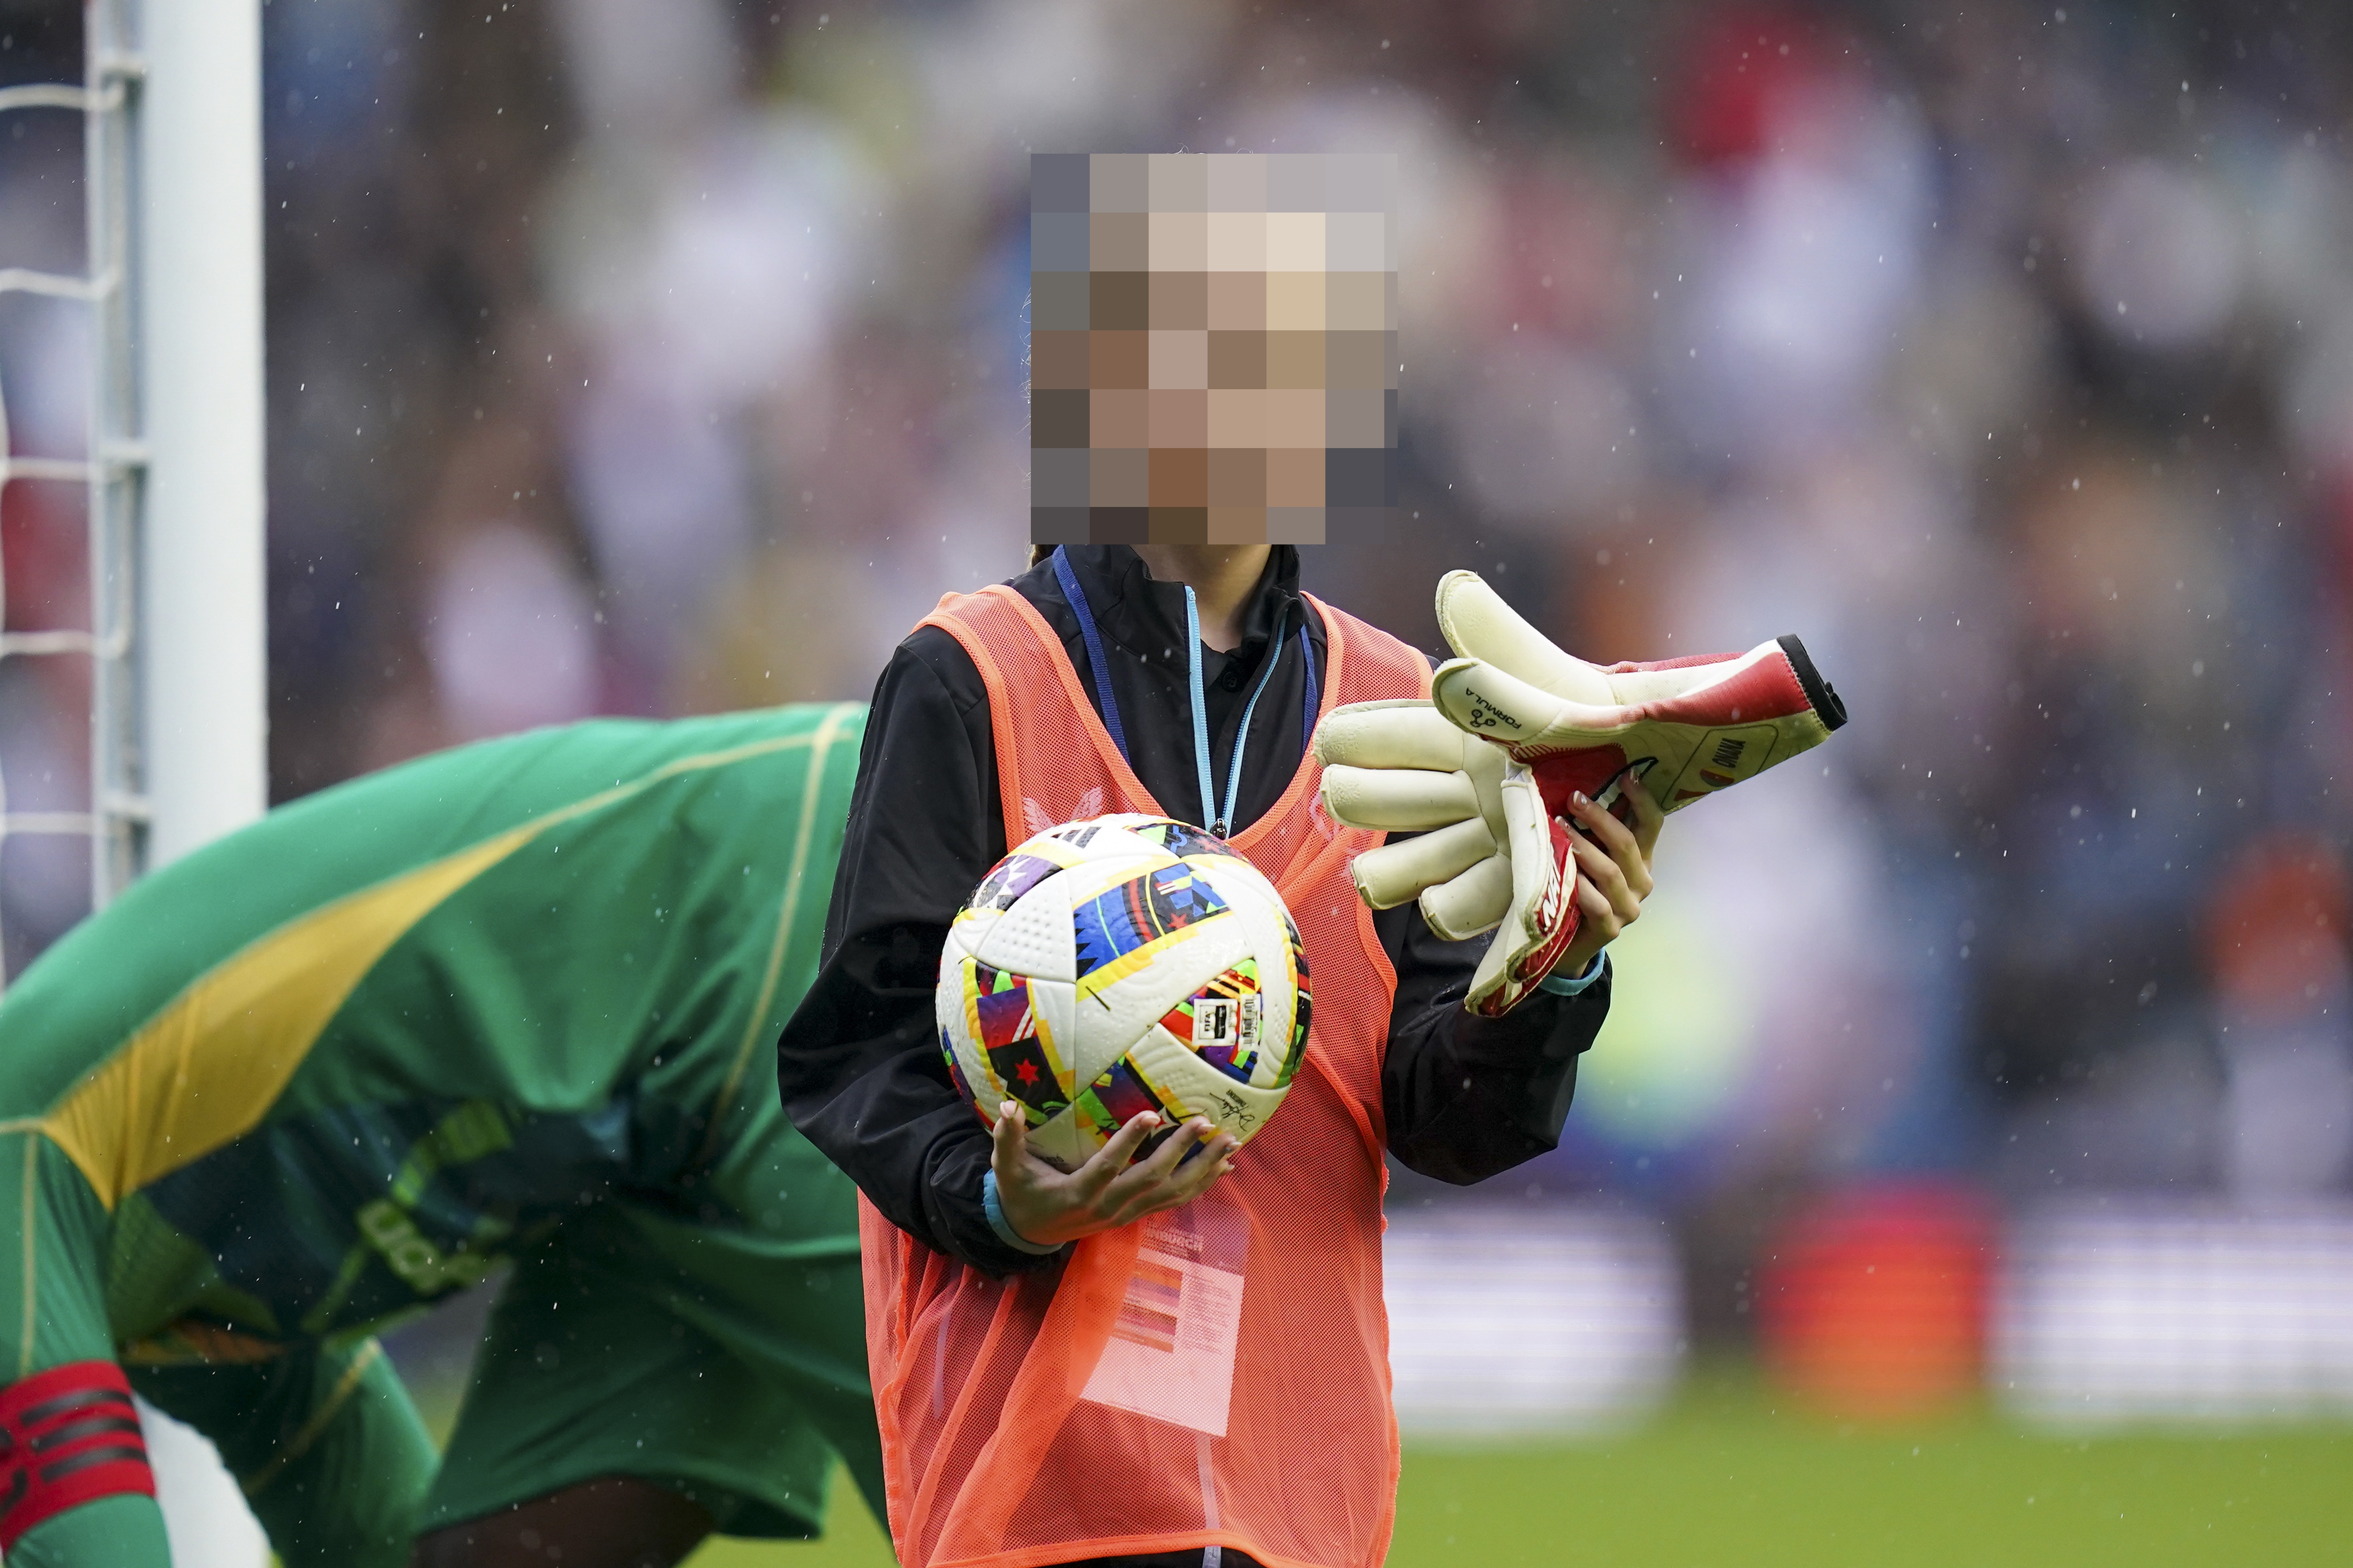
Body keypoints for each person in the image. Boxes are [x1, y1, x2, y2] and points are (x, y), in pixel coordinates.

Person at [779, 540, 1663, 1568]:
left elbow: (1449, 1119)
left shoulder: (1396, 708)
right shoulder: (971, 672)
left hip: (1293, 1493)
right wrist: (997, 1199)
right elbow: (855, 1053)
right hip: (1037, 1493)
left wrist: (1560, 960)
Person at [0, 702, 883, 1568]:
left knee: (1003, 1508)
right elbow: (361, 1515)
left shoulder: (33, 1196)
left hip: (788, 906)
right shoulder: (158, 1276)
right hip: (678, 1070)